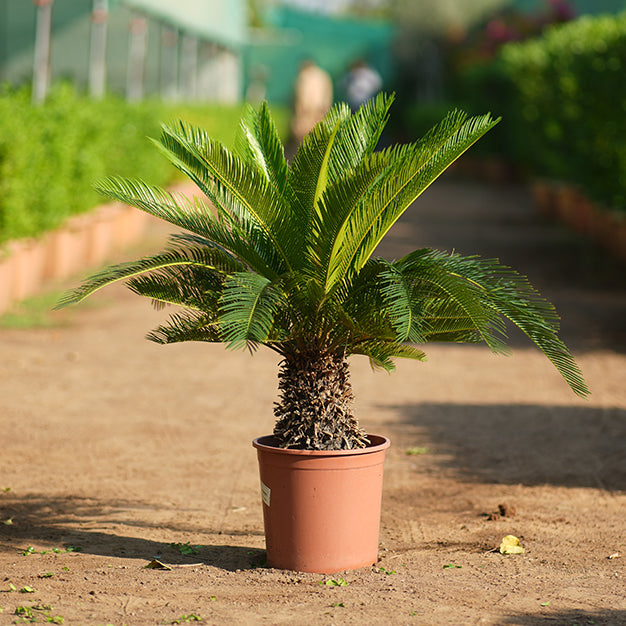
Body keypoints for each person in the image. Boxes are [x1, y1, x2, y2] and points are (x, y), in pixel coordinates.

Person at [290, 59, 333, 144]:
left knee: (303, 135)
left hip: (306, 110)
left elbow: (300, 95)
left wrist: (299, 111)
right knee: (319, 135)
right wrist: (326, 107)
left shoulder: (303, 76)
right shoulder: (323, 75)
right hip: (320, 109)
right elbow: (328, 93)